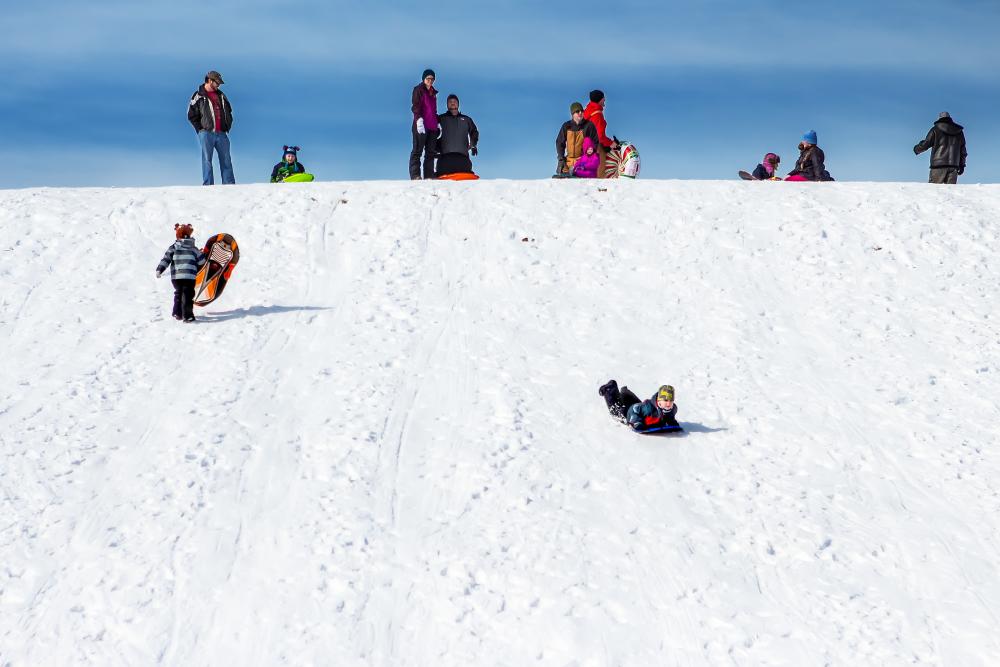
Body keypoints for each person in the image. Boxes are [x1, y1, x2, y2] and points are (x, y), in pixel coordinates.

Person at [187, 70, 235, 185]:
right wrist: (200, 129)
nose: (219, 85)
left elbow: (229, 111)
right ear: (209, 80)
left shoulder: (221, 95)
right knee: (207, 160)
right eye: (217, 82)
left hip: (222, 134)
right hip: (206, 133)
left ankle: (229, 185)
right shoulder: (198, 95)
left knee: (226, 160)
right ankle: (208, 185)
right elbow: (191, 115)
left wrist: (227, 125)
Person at [156, 224, 207, 323]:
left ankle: (177, 313)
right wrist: (202, 254)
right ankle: (187, 316)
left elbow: (166, 259)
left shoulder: (174, 247)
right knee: (187, 295)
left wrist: (160, 269)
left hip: (176, 277)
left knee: (178, 293)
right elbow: (202, 261)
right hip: (189, 276)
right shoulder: (193, 248)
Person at [599, 380, 679, 432]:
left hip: (640, 409)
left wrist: (672, 423)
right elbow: (634, 409)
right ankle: (609, 389)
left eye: (671, 401)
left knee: (630, 401)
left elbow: (669, 417)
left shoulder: (673, 409)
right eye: (665, 400)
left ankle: (624, 394)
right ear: (659, 401)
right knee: (616, 412)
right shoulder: (649, 408)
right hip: (630, 413)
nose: (668, 403)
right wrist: (636, 422)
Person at [913, 112, 967, 184]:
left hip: (938, 166)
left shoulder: (935, 129)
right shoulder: (959, 132)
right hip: (953, 167)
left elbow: (926, 144)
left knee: (934, 190)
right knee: (950, 190)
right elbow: (963, 151)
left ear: (939, 118)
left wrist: (916, 149)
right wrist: (962, 165)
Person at [435, 94, 479, 177]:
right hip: (445, 159)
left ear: (458, 104)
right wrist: (433, 148)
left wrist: (473, 145)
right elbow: (432, 133)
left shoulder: (466, 119)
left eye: (454, 101)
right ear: (447, 105)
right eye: (450, 101)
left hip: (463, 159)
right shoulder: (440, 118)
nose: (452, 103)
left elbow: (474, 132)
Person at [409, 69, 439, 180]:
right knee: (417, 151)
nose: (430, 80)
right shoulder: (418, 90)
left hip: (432, 126)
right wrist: (418, 120)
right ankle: (415, 175)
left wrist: (437, 123)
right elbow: (416, 106)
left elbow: (433, 110)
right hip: (421, 125)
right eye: (428, 78)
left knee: (430, 153)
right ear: (423, 79)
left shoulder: (433, 93)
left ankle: (429, 176)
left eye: (432, 79)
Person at [555, 102, 599, 176]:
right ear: (572, 114)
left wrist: (587, 157)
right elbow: (559, 142)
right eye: (577, 111)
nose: (580, 113)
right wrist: (561, 159)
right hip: (568, 161)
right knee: (563, 177)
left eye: (582, 111)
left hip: (583, 160)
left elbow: (595, 142)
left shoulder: (589, 125)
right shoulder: (566, 126)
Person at [583, 90, 617, 178]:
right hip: (594, 146)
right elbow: (600, 136)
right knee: (600, 169)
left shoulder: (587, 111)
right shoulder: (597, 114)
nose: (604, 100)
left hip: (584, 144)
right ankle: (599, 184)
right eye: (603, 98)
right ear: (600, 100)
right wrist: (611, 143)